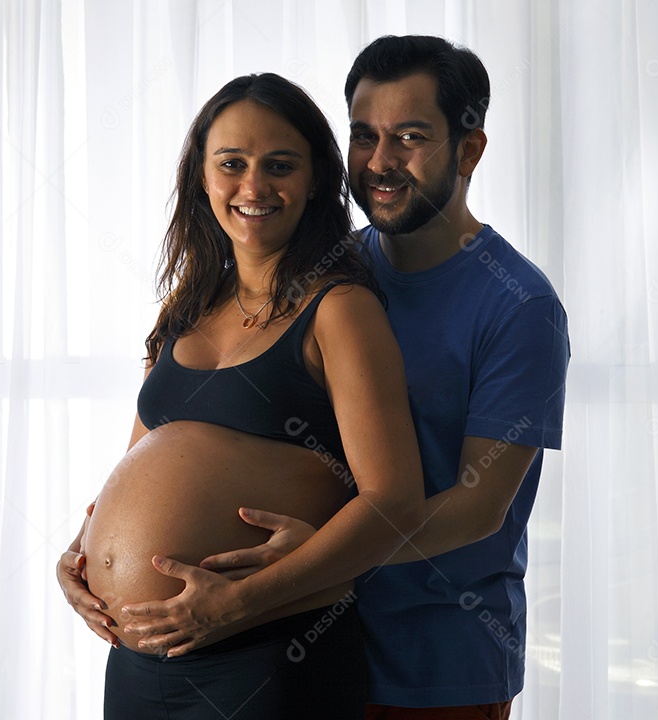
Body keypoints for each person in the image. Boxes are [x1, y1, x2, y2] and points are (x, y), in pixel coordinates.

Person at [67, 36, 571, 720]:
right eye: (365, 136)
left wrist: (309, 563)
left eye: (410, 136)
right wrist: (94, 546)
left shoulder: (517, 305)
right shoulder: (325, 267)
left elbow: (478, 507)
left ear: (469, 150)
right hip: (300, 631)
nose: (382, 161)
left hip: (433, 657)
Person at [61, 72, 429, 719]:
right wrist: (84, 552)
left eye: (279, 166)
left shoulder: (339, 309)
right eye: (232, 164)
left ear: (315, 179)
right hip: (137, 662)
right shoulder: (186, 306)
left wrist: (238, 602)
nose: (254, 188)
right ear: (201, 176)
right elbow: (139, 462)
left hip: (265, 657)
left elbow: (394, 502)